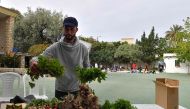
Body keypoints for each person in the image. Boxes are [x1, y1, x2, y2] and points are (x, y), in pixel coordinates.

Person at [30, 17, 90, 100]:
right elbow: (39, 58)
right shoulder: (56, 47)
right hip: (60, 90)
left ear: (76, 30)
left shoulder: (83, 48)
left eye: (72, 29)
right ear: (63, 29)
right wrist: (33, 62)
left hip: (78, 89)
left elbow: (87, 67)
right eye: (66, 29)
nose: (69, 32)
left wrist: (84, 84)